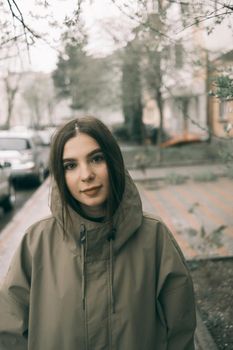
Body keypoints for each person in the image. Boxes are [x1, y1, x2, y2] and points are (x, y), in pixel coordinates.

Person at [0, 116, 196, 350]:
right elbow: (9, 331)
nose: (86, 175)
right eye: (70, 165)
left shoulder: (154, 238)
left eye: (96, 158)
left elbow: (180, 330)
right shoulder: (36, 243)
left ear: (113, 161)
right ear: (60, 175)